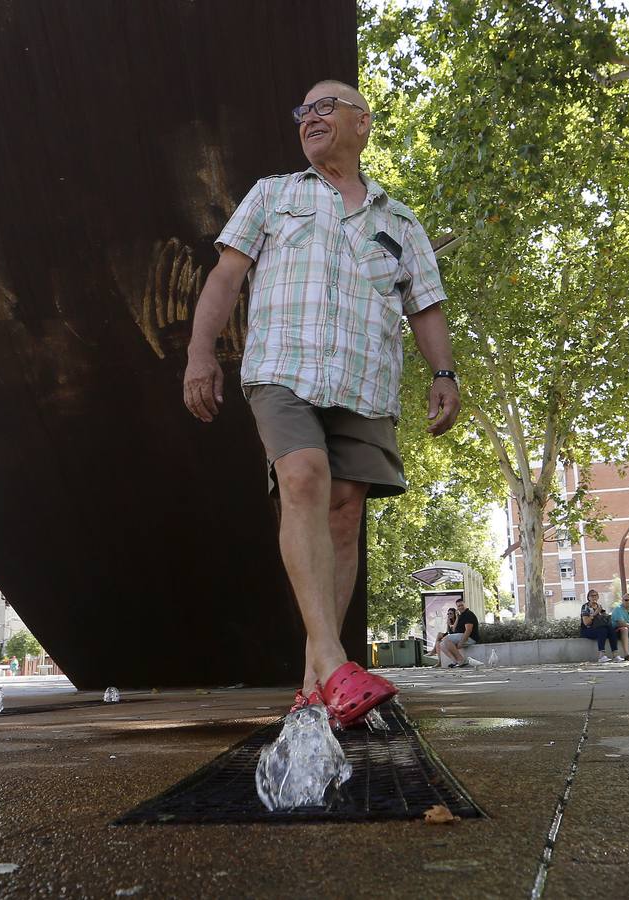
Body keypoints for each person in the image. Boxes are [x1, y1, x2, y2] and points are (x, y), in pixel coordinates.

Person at [182, 80, 460, 728]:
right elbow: (225, 277)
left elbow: (425, 306)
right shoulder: (274, 194)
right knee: (303, 476)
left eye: (325, 107)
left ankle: (317, 685)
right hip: (283, 367)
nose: (310, 117)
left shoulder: (401, 221)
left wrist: (443, 373)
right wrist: (200, 353)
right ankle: (336, 665)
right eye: (302, 110)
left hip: (364, 381)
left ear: (363, 124)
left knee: (344, 514)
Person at [579, 590, 617, 662]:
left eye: (596, 595)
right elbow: (586, 623)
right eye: (592, 596)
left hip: (597, 628)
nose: (594, 597)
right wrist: (595, 613)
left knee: (610, 629)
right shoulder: (585, 607)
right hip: (587, 630)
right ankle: (601, 656)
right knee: (602, 630)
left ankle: (615, 655)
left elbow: (601, 620)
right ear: (588, 597)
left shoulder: (599, 606)